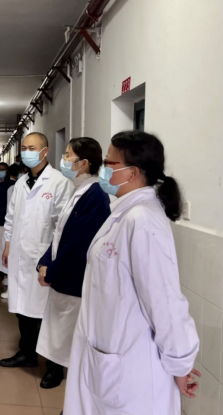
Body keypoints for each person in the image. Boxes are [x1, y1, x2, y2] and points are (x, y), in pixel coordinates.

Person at [63, 131, 200, 415]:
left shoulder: (143, 220)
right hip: (109, 353)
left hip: (131, 369)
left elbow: (164, 301)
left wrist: (180, 363)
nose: (103, 169)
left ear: (133, 172)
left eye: (109, 163)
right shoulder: (124, 213)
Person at [35, 137, 110, 390]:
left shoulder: (96, 196)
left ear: (84, 163)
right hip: (62, 275)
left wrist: (53, 270)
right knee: (57, 327)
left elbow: (79, 243)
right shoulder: (77, 190)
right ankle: (54, 367)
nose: (64, 159)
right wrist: (44, 262)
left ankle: (61, 373)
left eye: (68, 155)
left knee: (68, 330)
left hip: (74, 278)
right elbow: (60, 233)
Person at [0, 132, 73, 374]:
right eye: (24, 148)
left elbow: (62, 227)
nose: (26, 152)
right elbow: (10, 218)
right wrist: (7, 245)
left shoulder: (59, 182)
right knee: (23, 309)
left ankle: (54, 366)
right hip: (20, 256)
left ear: (45, 151)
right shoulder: (21, 183)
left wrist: (51, 260)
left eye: (32, 148)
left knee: (47, 314)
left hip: (44, 258)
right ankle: (27, 353)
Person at [0, 163, 20, 298]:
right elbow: (10, 212)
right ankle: (10, 285)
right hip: (12, 227)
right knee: (9, 257)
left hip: (23, 229)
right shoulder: (12, 188)